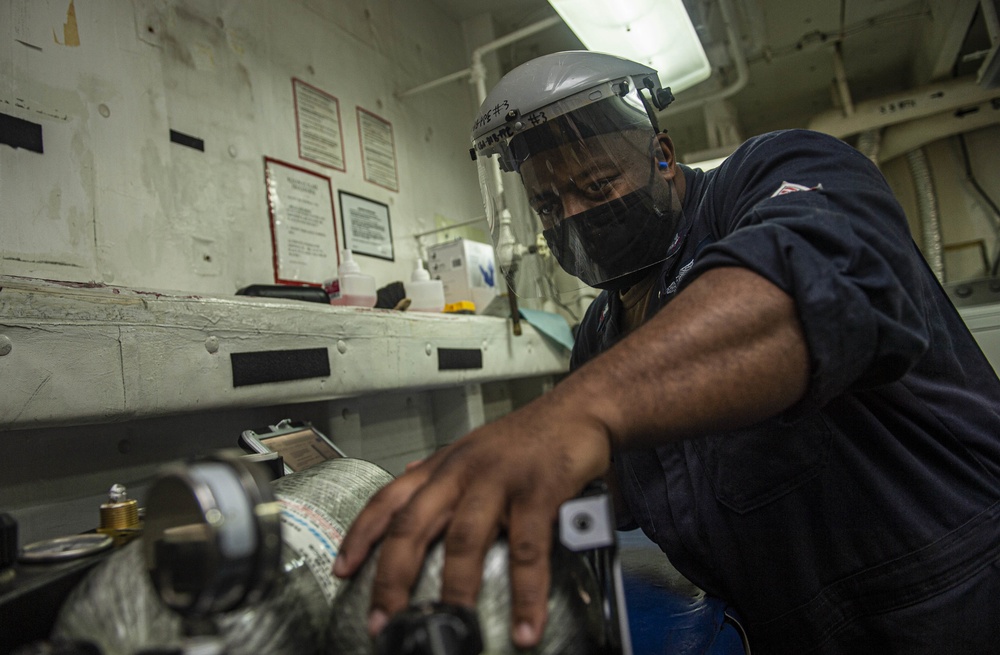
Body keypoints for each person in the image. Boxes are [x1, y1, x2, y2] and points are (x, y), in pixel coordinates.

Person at [334, 50, 1000, 653]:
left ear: (661, 153)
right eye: (548, 203)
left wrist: (573, 412)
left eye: (595, 186)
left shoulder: (779, 173)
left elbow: (811, 285)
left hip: (947, 607)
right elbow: (606, 492)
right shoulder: (601, 335)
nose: (573, 214)